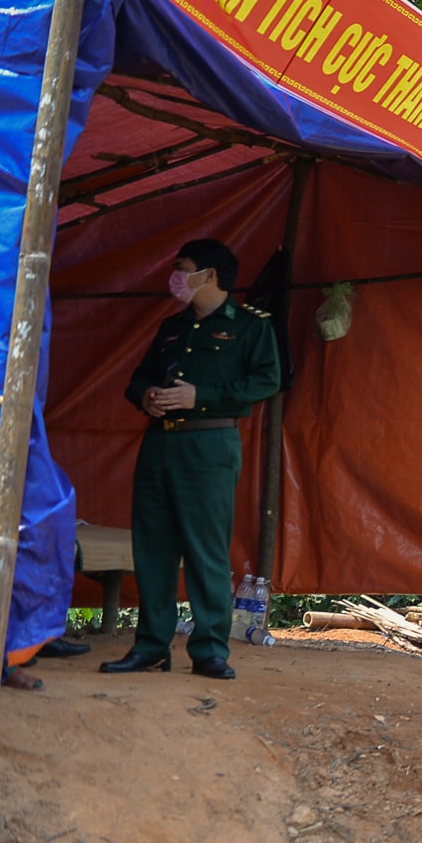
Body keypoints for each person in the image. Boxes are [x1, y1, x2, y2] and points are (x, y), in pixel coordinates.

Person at [101, 240, 281, 680]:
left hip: (210, 446)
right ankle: (150, 646)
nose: (175, 277)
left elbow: (268, 381)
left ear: (210, 276)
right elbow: (137, 379)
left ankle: (210, 650)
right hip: (159, 444)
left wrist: (202, 397)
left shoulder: (251, 327)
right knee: (153, 549)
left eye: (183, 268)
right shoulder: (171, 327)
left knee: (206, 551)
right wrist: (148, 396)